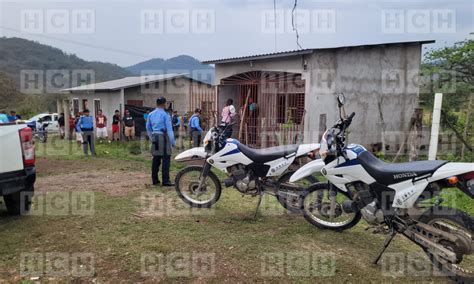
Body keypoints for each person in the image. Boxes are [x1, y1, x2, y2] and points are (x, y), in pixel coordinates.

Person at [146, 97, 175, 187]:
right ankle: (165, 181)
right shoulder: (165, 115)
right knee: (166, 160)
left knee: (156, 159)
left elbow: (148, 128)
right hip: (163, 137)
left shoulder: (150, 114)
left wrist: (152, 138)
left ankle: (155, 180)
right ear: (164, 104)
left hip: (155, 136)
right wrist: (172, 142)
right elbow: (169, 130)